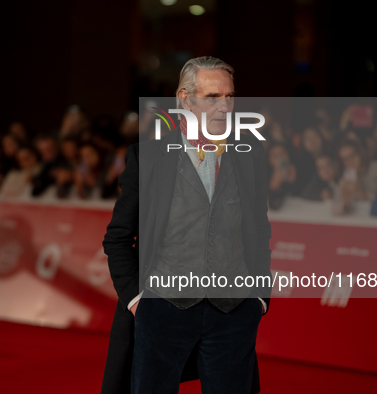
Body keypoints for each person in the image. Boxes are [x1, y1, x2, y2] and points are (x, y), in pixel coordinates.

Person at [102, 56, 271, 394]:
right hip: (162, 309)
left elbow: (258, 233)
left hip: (234, 311)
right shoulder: (148, 159)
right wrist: (138, 300)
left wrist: (259, 298)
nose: (225, 107)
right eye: (213, 98)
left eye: (230, 97)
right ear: (184, 98)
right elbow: (117, 238)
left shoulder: (249, 156)